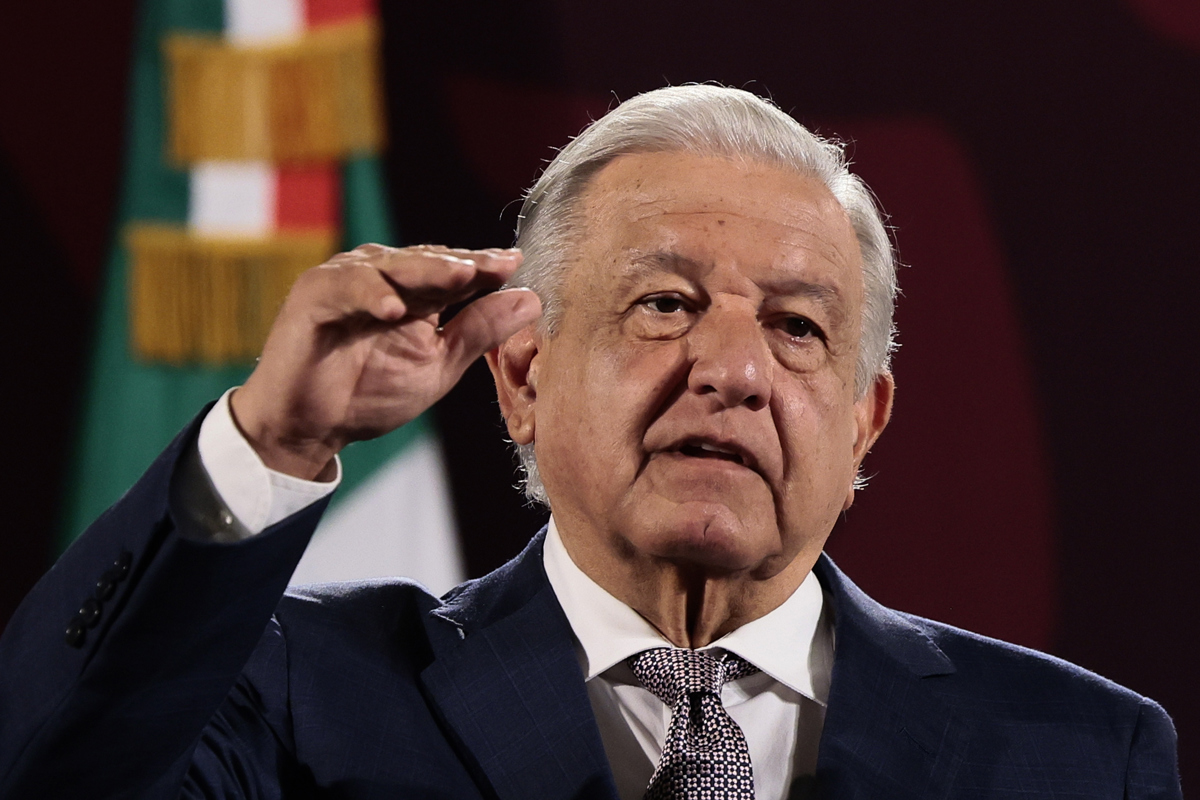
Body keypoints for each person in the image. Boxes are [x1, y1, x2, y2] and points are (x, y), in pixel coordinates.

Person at [0, 86, 1181, 799]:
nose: (731, 366)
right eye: (664, 302)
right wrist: (273, 436)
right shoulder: (296, 690)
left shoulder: (1078, 753)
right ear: (520, 374)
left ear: (866, 416)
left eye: (797, 324)